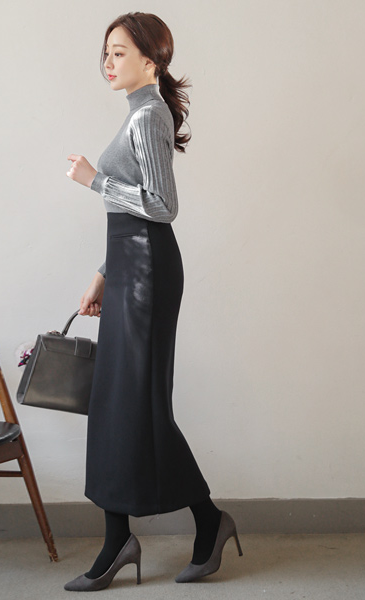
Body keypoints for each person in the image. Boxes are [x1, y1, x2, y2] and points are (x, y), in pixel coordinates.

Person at [64, 12, 242, 592]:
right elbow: (130, 216)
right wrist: (102, 274)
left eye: (119, 52)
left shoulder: (148, 114)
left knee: (140, 407)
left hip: (148, 273)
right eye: (106, 52)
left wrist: (94, 179)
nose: (108, 62)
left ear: (151, 60)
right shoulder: (138, 112)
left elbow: (162, 207)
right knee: (115, 404)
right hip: (130, 267)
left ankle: (208, 521)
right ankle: (119, 538)